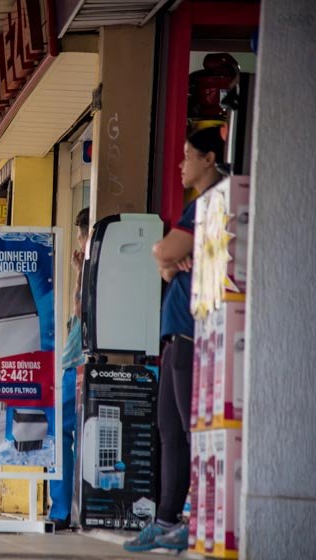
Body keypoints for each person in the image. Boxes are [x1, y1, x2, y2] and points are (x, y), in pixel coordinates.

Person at [124, 126, 225, 553]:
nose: (181, 164)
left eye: (187, 156)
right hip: (177, 334)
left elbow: (163, 254)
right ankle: (166, 518)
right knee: (169, 428)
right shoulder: (197, 206)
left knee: (190, 429)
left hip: (193, 331)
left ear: (208, 159)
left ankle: (194, 520)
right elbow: (167, 263)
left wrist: (165, 258)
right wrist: (166, 261)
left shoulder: (210, 203)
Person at [48, 207, 89, 531]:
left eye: (80, 234)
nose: (79, 241)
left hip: (78, 364)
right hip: (76, 363)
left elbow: (79, 308)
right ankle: (68, 508)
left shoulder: (95, 266)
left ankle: (63, 509)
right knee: (71, 434)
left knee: (62, 434)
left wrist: (79, 271)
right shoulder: (94, 265)